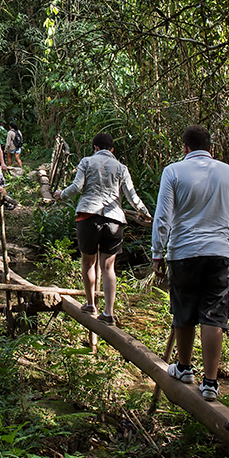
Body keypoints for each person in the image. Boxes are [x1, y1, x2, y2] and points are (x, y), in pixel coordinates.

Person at [151, 125, 229, 402]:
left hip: (183, 252)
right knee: (213, 315)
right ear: (210, 147)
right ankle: (210, 383)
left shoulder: (173, 171)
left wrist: (157, 253)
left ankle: (185, 368)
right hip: (219, 252)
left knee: (183, 309)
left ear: (185, 147)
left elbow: (162, 217)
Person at [53, 133, 151, 325]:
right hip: (114, 220)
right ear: (112, 149)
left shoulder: (86, 162)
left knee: (88, 263)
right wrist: (144, 212)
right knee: (108, 267)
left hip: (88, 217)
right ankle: (109, 313)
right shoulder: (122, 168)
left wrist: (60, 195)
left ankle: (90, 304)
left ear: (95, 147)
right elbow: (132, 195)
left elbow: (77, 186)